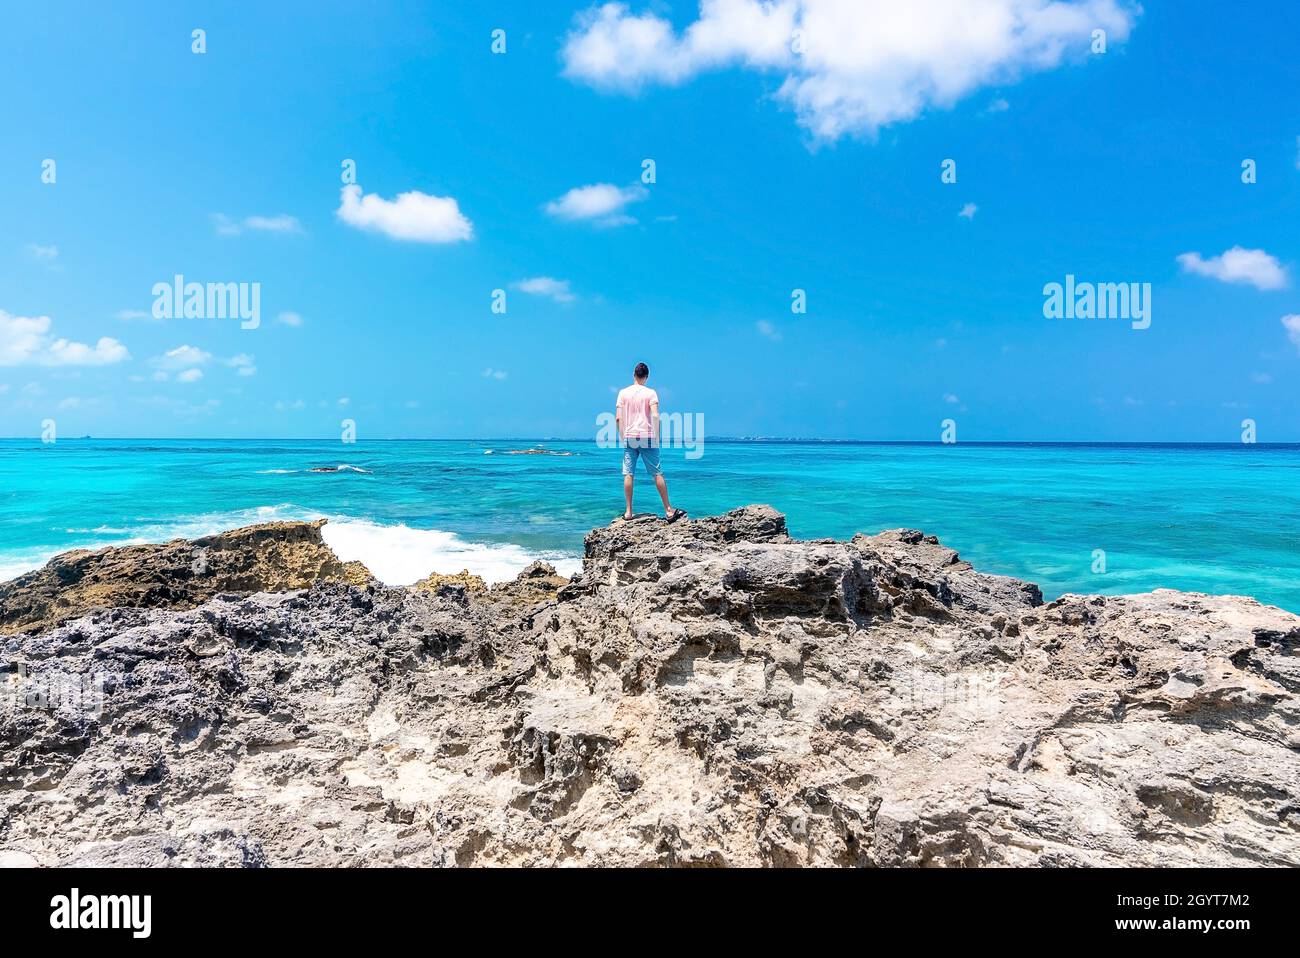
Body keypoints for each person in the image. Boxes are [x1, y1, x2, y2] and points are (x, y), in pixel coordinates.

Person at [616, 362, 686, 522]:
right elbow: (655, 416)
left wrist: (623, 437)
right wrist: (657, 436)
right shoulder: (651, 393)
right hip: (648, 436)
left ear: (634, 375)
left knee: (628, 473)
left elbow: (618, 418)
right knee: (657, 473)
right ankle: (668, 510)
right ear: (646, 377)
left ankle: (628, 512)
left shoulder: (622, 393)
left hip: (629, 436)